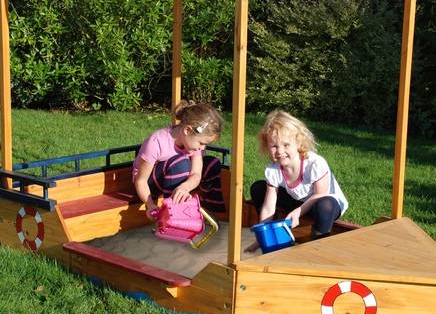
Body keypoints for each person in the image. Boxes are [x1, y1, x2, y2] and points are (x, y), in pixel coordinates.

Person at [248, 110, 348, 248]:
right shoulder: (273, 169)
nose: (280, 151)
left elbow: (320, 194)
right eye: (274, 146)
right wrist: (262, 236)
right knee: (258, 188)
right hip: (298, 201)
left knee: (325, 204)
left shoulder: (314, 163)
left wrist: (299, 212)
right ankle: (275, 234)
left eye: (286, 145)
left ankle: (317, 244)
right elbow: (268, 206)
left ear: (298, 142)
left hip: (324, 204)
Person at [133, 101, 225, 219]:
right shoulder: (157, 142)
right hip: (148, 185)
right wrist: (150, 205)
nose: (202, 148)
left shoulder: (193, 143)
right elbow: (141, 181)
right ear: (187, 130)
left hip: (178, 177)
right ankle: (172, 214)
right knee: (181, 163)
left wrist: (185, 187)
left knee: (212, 163)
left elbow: (196, 173)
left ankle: (210, 213)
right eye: (201, 143)